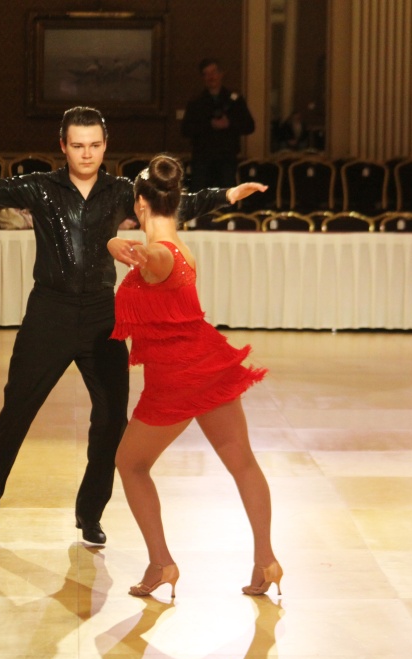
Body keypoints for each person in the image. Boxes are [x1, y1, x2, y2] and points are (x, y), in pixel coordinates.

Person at [0, 106, 265, 548]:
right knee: (15, 415)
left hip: (102, 316)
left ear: (105, 145)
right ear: (62, 145)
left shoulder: (122, 190)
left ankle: (90, 513)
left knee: (112, 419)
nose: (87, 154)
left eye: (95, 145)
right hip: (49, 315)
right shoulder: (40, 187)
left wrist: (226, 194)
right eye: (78, 145)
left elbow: (171, 203)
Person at [107, 154, 281, 599]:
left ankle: (161, 563)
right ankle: (267, 560)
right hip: (207, 363)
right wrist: (117, 245)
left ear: (140, 203)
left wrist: (113, 244)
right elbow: (148, 258)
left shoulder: (161, 253)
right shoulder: (180, 246)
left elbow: (148, 258)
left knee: (130, 463)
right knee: (242, 462)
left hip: (177, 379)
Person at [181, 58, 255, 190]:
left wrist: (229, 124)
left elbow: (249, 126)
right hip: (202, 159)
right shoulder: (196, 102)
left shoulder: (235, 100)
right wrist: (209, 125)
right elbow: (185, 130)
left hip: (226, 158)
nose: (211, 77)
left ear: (221, 74)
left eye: (214, 72)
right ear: (203, 77)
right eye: (206, 73)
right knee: (200, 199)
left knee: (226, 198)